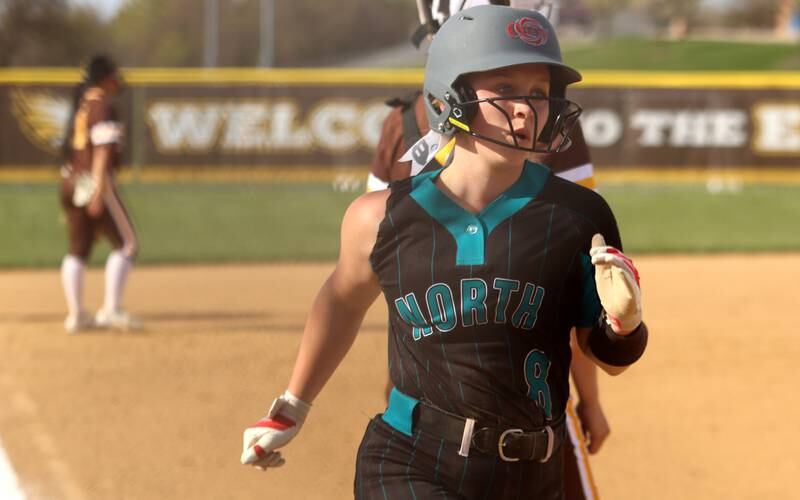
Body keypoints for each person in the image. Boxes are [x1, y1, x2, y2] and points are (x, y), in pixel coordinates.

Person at [241, 6, 647, 499]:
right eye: (504, 88)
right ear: (448, 96)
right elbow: (342, 302)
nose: (526, 109)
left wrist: (624, 327)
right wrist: (292, 405)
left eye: (539, 92)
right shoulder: (380, 217)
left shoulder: (580, 217)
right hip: (413, 460)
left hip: (533, 474)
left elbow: (608, 358)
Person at [368, 2, 606, 498]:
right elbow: (574, 287)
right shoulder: (541, 119)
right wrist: (590, 398)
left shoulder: (400, 121)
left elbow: (378, 274)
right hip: (524, 397)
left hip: (420, 398)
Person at [59, 54, 141, 333]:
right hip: (93, 182)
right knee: (127, 245)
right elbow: (103, 151)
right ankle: (111, 310)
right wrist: (98, 191)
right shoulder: (103, 106)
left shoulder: (81, 105)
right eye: (114, 75)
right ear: (106, 78)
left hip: (70, 181)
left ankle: (76, 316)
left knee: (77, 250)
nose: (117, 80)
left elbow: (71, 151)